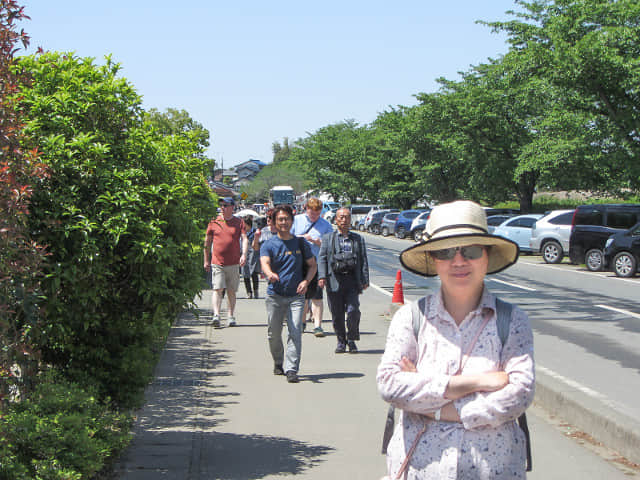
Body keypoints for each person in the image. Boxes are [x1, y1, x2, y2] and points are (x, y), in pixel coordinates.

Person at [377, 200, 534, 479]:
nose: (458, 261)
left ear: (486, 255)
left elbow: (518, 394)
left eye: (470, 250)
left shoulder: (512, 320)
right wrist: (475, 383)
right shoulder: (411, 318)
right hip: (417, 470)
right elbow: (390, 385)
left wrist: (434, 407)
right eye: (446, 251)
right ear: (434, 259)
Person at [260, 205, 317, 383]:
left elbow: (313, 265)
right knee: (274, 333)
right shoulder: (269, 244)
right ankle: (278, 361)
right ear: (275, 222)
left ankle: (292, 369)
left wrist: (306, 281)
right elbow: (264, 262)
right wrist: (270, 274)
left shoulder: (301, 243)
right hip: (275, 295)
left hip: (296, 296)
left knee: (295, 331)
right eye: (280, 219)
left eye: (287, 219)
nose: (284, 222)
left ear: (292, 221)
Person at [318, 207, 369, 354]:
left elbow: (363, 259)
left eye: (347, 217)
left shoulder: (358, 239)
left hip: (352, 280)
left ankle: (351, 339)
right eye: (341, 217)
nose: (344, 220)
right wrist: (322, 276)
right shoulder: (328, 238)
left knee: (353, 311)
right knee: (337, 313)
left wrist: (365, 279)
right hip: (334, 280)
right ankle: (341, 341)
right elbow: (322, 258)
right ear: (336, 220)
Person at [291, 197, 333, 337]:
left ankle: (317, 326)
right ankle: (302, 322)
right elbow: (287, 238)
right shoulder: (296, 220)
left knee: (317, 295)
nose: (314, 216)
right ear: (306, 209)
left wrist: (316, 241)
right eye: (312, 213)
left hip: (317, 262)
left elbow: (330, 246)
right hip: (299, 261)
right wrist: (301, 238)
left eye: (317, 213)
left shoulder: (325, 225)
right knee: (301, 294)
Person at [204, 197, 248, 327]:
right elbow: (207, 242)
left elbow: (244, 239)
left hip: (234, 263)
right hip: (217, 262)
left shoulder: (238, 222)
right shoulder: (214, 222)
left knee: (231, 291)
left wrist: (244, 254)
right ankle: (216, 315)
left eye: (225, 205)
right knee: (217, 288)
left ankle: (230, 316)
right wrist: (206, 259)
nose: (222, 208)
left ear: (232, 207)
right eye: (221, 205)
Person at [241, 216, 261, 299]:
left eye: (244, 224)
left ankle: (256, 291)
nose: (242, 226)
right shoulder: (242, 233)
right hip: (245, 254)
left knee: (254, 273)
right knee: (245, 273)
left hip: (254, 254)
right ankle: (249, 292)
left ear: (248, 225)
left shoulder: (255, 232)